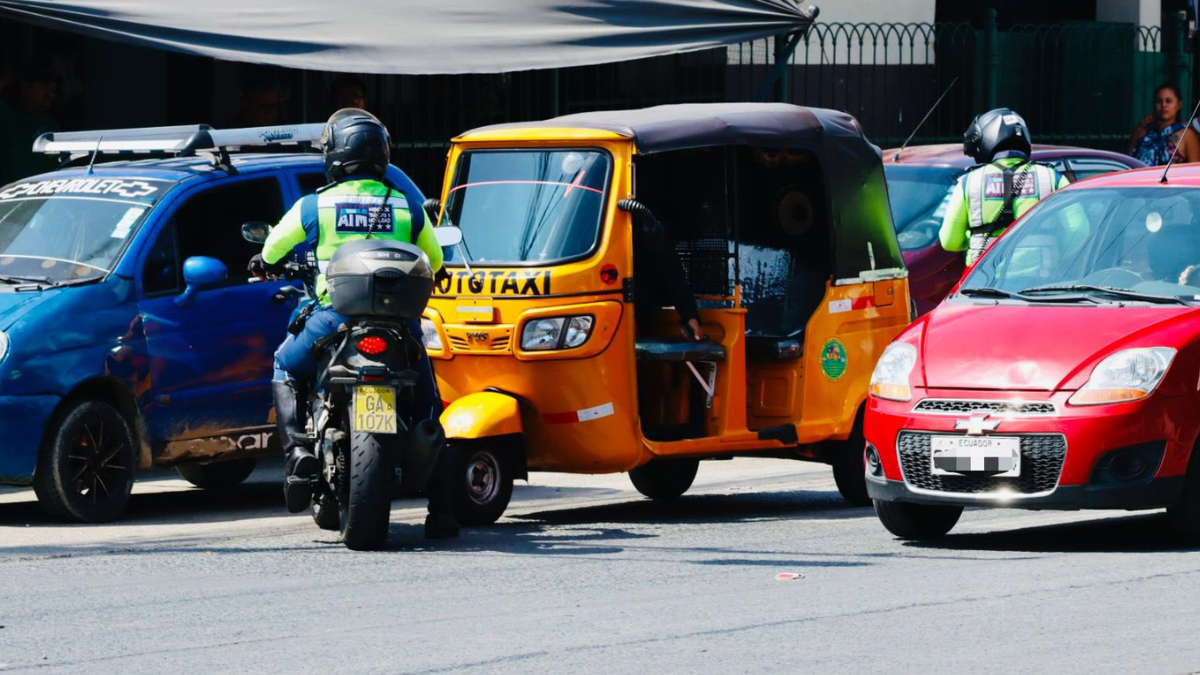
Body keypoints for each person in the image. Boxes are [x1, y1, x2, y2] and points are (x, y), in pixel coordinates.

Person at [249, 108, 459, 539]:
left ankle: (297, 453)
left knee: (285, 365)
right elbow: (436, 261)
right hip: (400, 327)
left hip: (333, 318)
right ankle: (442, 511)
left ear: (334, 155)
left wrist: (264, 262)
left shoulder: (315, 205)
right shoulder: (407, 206)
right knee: (429, 408)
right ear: (382, 154)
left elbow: (271, 250)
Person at [940, 108, 1070, 266]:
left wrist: (976, 236)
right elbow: (1079, 230)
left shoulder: (969, 182)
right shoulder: (1053, 178)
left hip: (984, 277)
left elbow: (949, 242)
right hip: (1041, 276)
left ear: (987, 139)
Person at [0, 66, 61, 186]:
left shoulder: (50, 124)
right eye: (44, 88)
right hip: (11, 192)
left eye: (54, 90)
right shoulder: (6, 116)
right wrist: (7, 80)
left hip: (47, 192)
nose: (51, 96)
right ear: (25, 87)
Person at [1129, 84, 1199, 166]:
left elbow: (1195, 169)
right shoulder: (1141, 130)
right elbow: (1127, 162)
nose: (1163, 105)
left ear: (1179, 105)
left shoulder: (1187, 135)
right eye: (1159, 101)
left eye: (1168, 101)